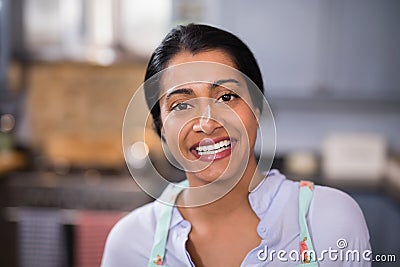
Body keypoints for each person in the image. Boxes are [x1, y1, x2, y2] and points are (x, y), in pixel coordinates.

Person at [102, 24, 371, 267]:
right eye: (181, 105)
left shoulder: (329, 220)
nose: (206, 124)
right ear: (160, 126)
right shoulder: (131, 243)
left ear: (256, 108)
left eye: (226, 97)